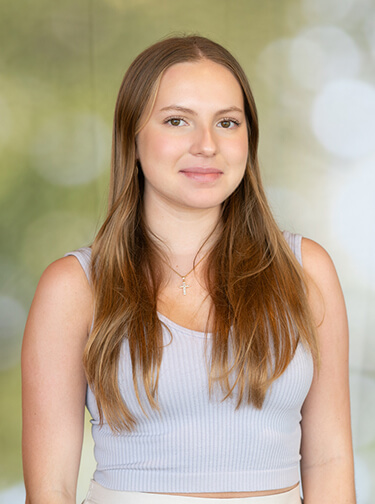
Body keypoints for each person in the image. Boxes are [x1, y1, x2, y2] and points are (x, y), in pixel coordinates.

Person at [21, 36, 356, 504]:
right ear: (131, 138)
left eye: (227, 122)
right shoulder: (75, 286)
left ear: (248, 139)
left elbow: (331, 460)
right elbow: (50, 489)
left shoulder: (304, 270)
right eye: (177, 121)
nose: (207, 145)